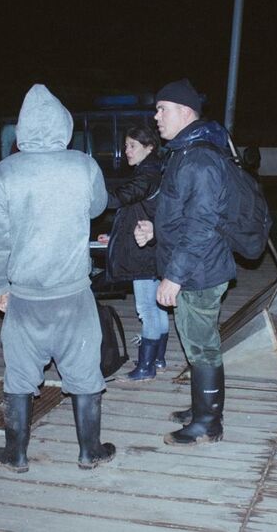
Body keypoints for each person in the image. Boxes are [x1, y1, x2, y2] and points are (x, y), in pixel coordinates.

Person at [0, 84, 113, 472]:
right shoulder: (83, 165)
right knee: (84, 373)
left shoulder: (4, 172)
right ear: (64, 125)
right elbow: (98, 207)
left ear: (21, 129)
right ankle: (90, 450)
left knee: (19, 375)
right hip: (73, 294)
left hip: (24, 297)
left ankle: (16, 454)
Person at [134, 78, 235, 446]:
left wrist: (173, 277)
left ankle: (208, 423)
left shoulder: (200, 159)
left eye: (163, 109)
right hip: (195, 266)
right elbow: (181, 213)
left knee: (202, 346)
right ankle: (202, 408)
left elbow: (201, 227)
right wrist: (156, 231)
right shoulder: (184, 152)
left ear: (185, 112)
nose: (156, 115)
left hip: (199, 271)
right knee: (195, 342)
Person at [100, 125, 169, 381]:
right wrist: (115, 236)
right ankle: (158, 358)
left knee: (147, 309)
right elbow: (138, 211)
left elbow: (121, 198)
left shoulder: (147, 174)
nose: (126, 151)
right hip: (152, 249)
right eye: (126, 145)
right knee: (159, 306)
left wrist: (91, 195)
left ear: (149, 147)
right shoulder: (153, 170)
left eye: (132, 146)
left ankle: (146, 366)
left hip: (145, 253)